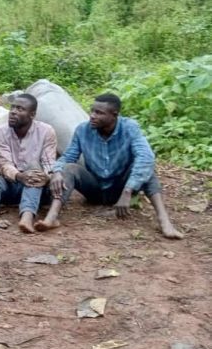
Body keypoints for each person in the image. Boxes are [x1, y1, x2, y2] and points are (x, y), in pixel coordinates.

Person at [35, 93, 184, 239]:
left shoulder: (129, 128)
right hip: (95, 189)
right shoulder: (83, 130)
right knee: (68, 168)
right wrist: (57, 172)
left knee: (146, 167)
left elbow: (146, 156)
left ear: (114, 115)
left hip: (121, 187)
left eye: (99, 113)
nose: (92, 116)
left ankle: (164, 221)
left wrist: (128, 190)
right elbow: (68, 157)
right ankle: (52, 217)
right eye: (92, 111)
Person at [0, 94, 57, 233]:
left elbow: (49, 163)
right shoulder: (2, 131)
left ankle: (27, 216)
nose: (13, 112)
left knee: (34, 171)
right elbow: (4, 164)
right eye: (12, 107)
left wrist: (46, 176)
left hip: (38, 189)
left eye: (20, 109)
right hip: (12, 183)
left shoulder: (46, 131)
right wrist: (19, 176)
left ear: (32, 114)